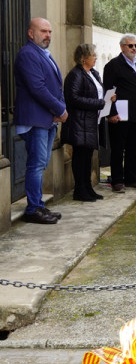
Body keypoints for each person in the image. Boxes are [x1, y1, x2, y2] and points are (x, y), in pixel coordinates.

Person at [14, 17, 67, 224]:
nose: (48, 36)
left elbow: (55, 86)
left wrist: (56, 111)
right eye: (44, 31)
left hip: (47, 118)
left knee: (41, 163)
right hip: (35, 119)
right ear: (31, 33)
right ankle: (33, 209)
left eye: (50, 32)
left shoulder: (43, 53)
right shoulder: (28, 53)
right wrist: (60, 108)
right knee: (36, 165)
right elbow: (37, 88)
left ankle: (39, 206)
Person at [61, 44, 109, 202]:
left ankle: (88, 187)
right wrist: (98, 103)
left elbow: (98, 93)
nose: (95, 57)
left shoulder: (94, 73)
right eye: (93, 55)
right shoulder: (75, 74)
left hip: (91, 121)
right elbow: (73, 98)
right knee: (80, 156)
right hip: (79, 122)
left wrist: (107, 100)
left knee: (88, 156)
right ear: (83, 58)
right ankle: (79, 190)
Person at [103, 33, 136, 193]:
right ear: (122, 47)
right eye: (130, 45)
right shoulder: (113, 65)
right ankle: (117, 180)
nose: (134, 48)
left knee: (133, 148)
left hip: (135, 113)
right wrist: (111, 113)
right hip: (120, 114)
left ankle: (131, 178)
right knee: (118, 148)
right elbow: (108, 90)